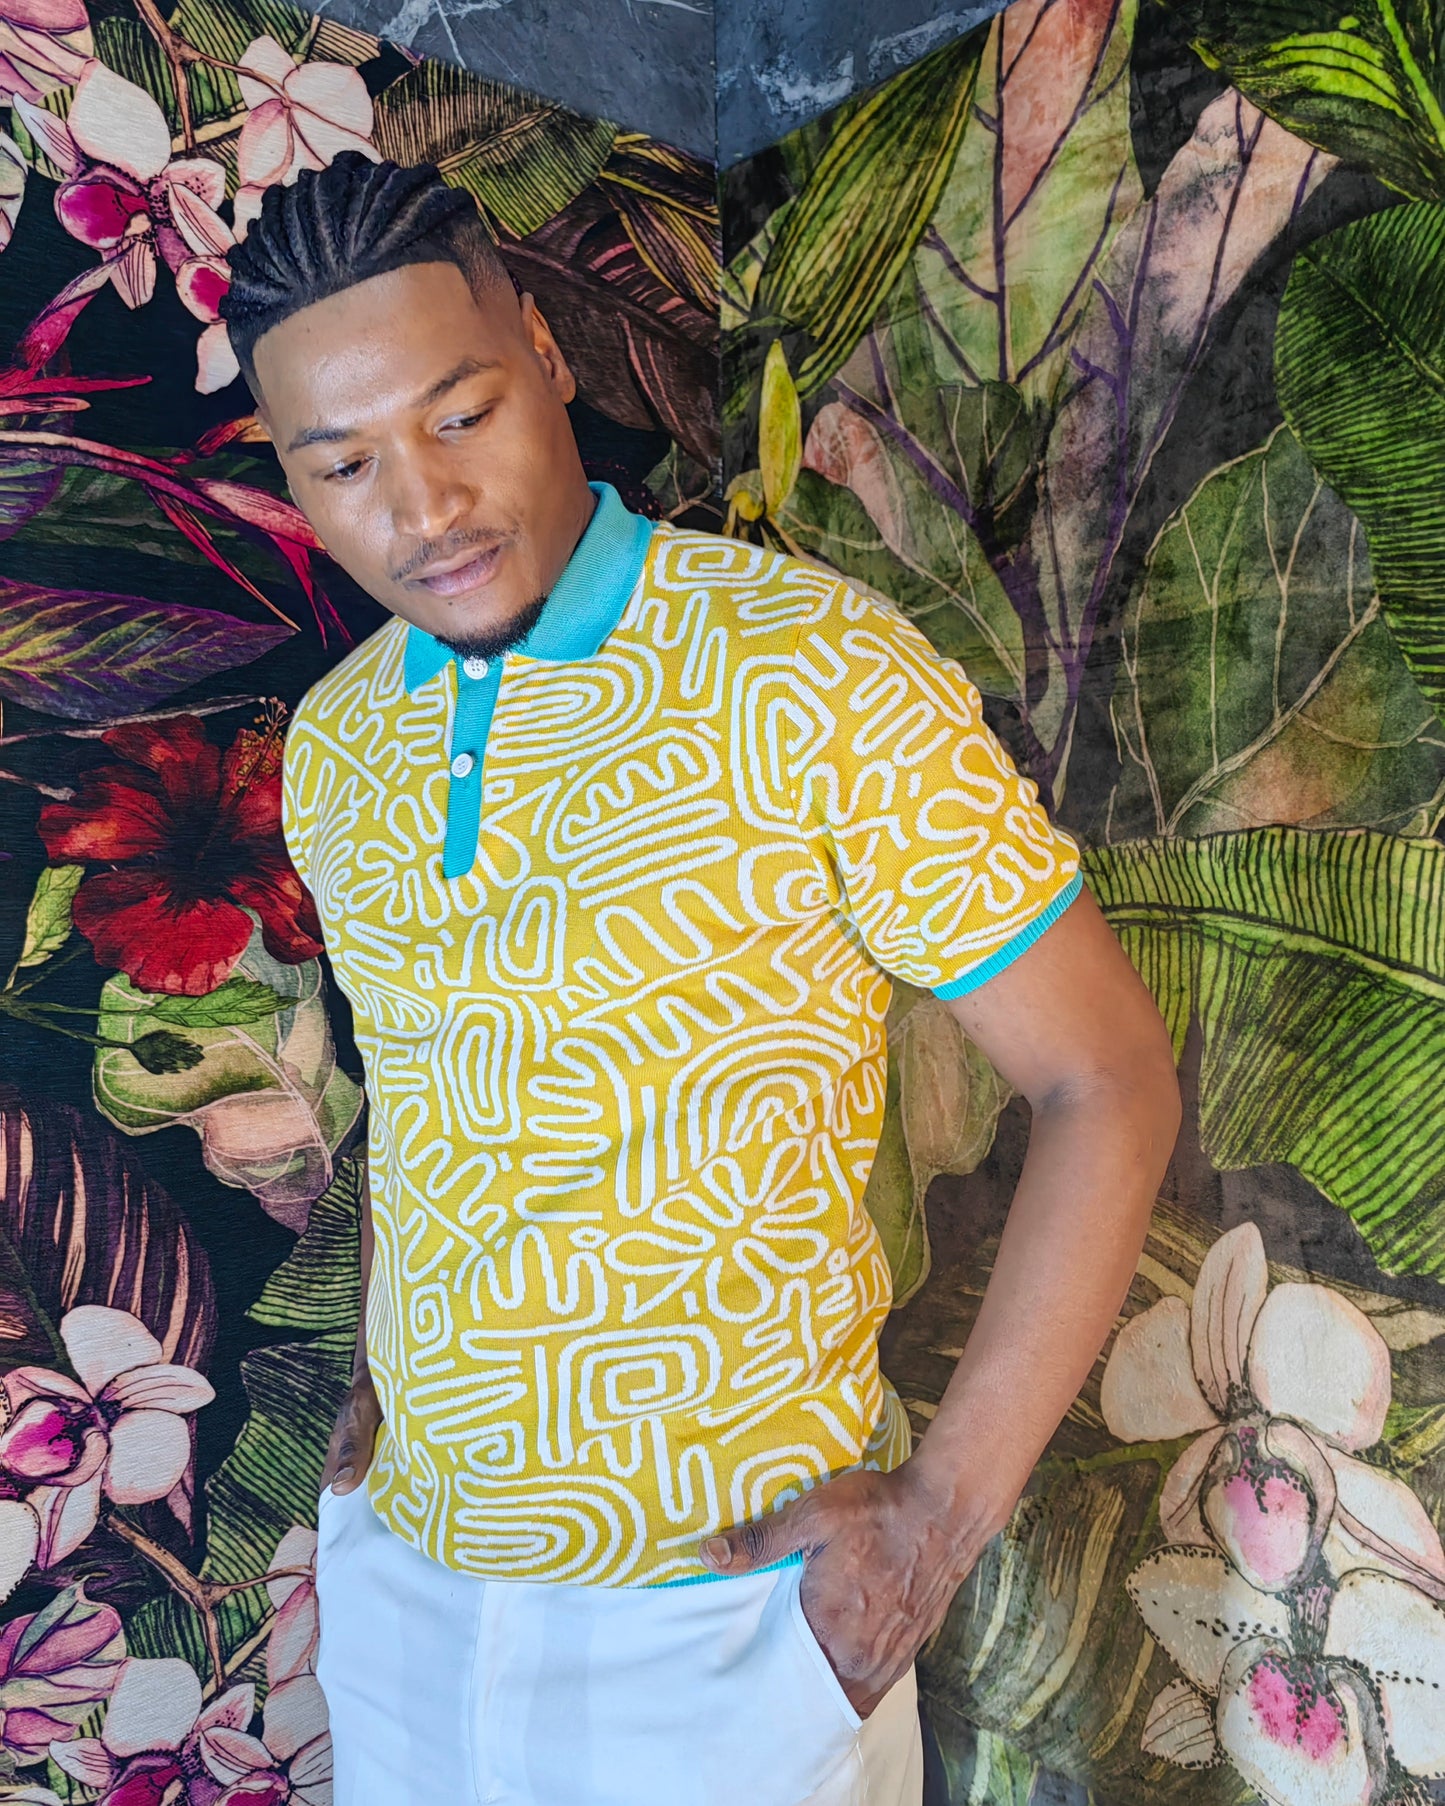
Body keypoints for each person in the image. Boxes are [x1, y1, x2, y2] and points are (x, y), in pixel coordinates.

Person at [220, 152, 1181, 1806]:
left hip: (727, 1625)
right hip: (410, 1600)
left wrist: (937, 1521)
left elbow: (1105, 1081)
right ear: (292, 481)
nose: (424, 504)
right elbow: (435, 1082)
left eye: (459, 414)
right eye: (346, 462)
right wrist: (378, 1415)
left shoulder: (810, 673)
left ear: (542, 345)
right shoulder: (338, 742)